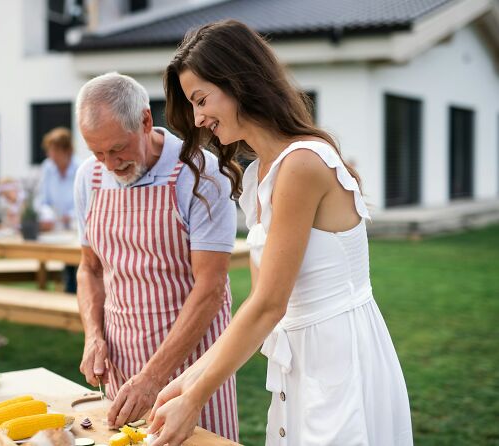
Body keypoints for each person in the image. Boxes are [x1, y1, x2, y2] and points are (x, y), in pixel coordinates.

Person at [148, 20, 413, 445]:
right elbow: (260, 305)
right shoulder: (260, 175)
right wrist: (182, 382)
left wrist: (195, 396)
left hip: (341, 361)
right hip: (301, 366)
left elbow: (271, 304)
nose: (197, 120)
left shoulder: (303, 164)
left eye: (201, 100)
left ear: (238, 83)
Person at [73, 72, 239, 441]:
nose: (110, 163)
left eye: (117, 149)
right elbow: (89, 268)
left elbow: (211, 288)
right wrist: (93, 335)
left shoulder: (200, 175)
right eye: (97, 153)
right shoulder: (89, 177)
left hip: (192, 371)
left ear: (146, 121)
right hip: (120, 366)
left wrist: (153, 378)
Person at [35, 126, 81, 293]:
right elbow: (41, 199)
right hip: (54, 229)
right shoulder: (47, 168)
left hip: (76, 228)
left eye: (55, 151)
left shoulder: (80, 168)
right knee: (67, 269)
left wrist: (69, 216)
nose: (51, 155)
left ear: (67, 150)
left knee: (76, 267)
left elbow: (86, 201)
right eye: (49, 151)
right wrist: (48, 215)